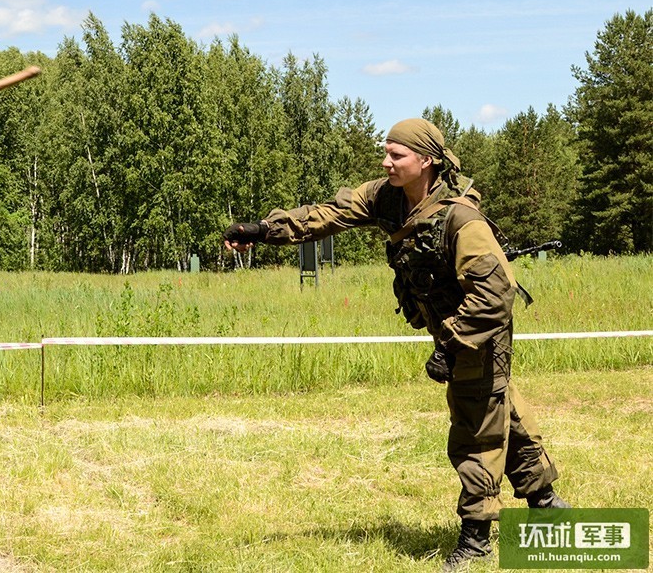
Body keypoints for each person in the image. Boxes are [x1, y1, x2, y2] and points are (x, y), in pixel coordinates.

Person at [223, 118, 569, 571]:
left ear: (426, 160)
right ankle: (545, 503)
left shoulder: (460, 218)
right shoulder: (386, 196)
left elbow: (495, 294)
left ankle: (476, 536)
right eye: (385, 153)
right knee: (503, 408)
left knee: (475, 427)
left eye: (396, 155)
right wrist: (263, 231)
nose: (386, 162)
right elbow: (327, 214)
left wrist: (451, 345)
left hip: (478, 329)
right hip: (452, 325)